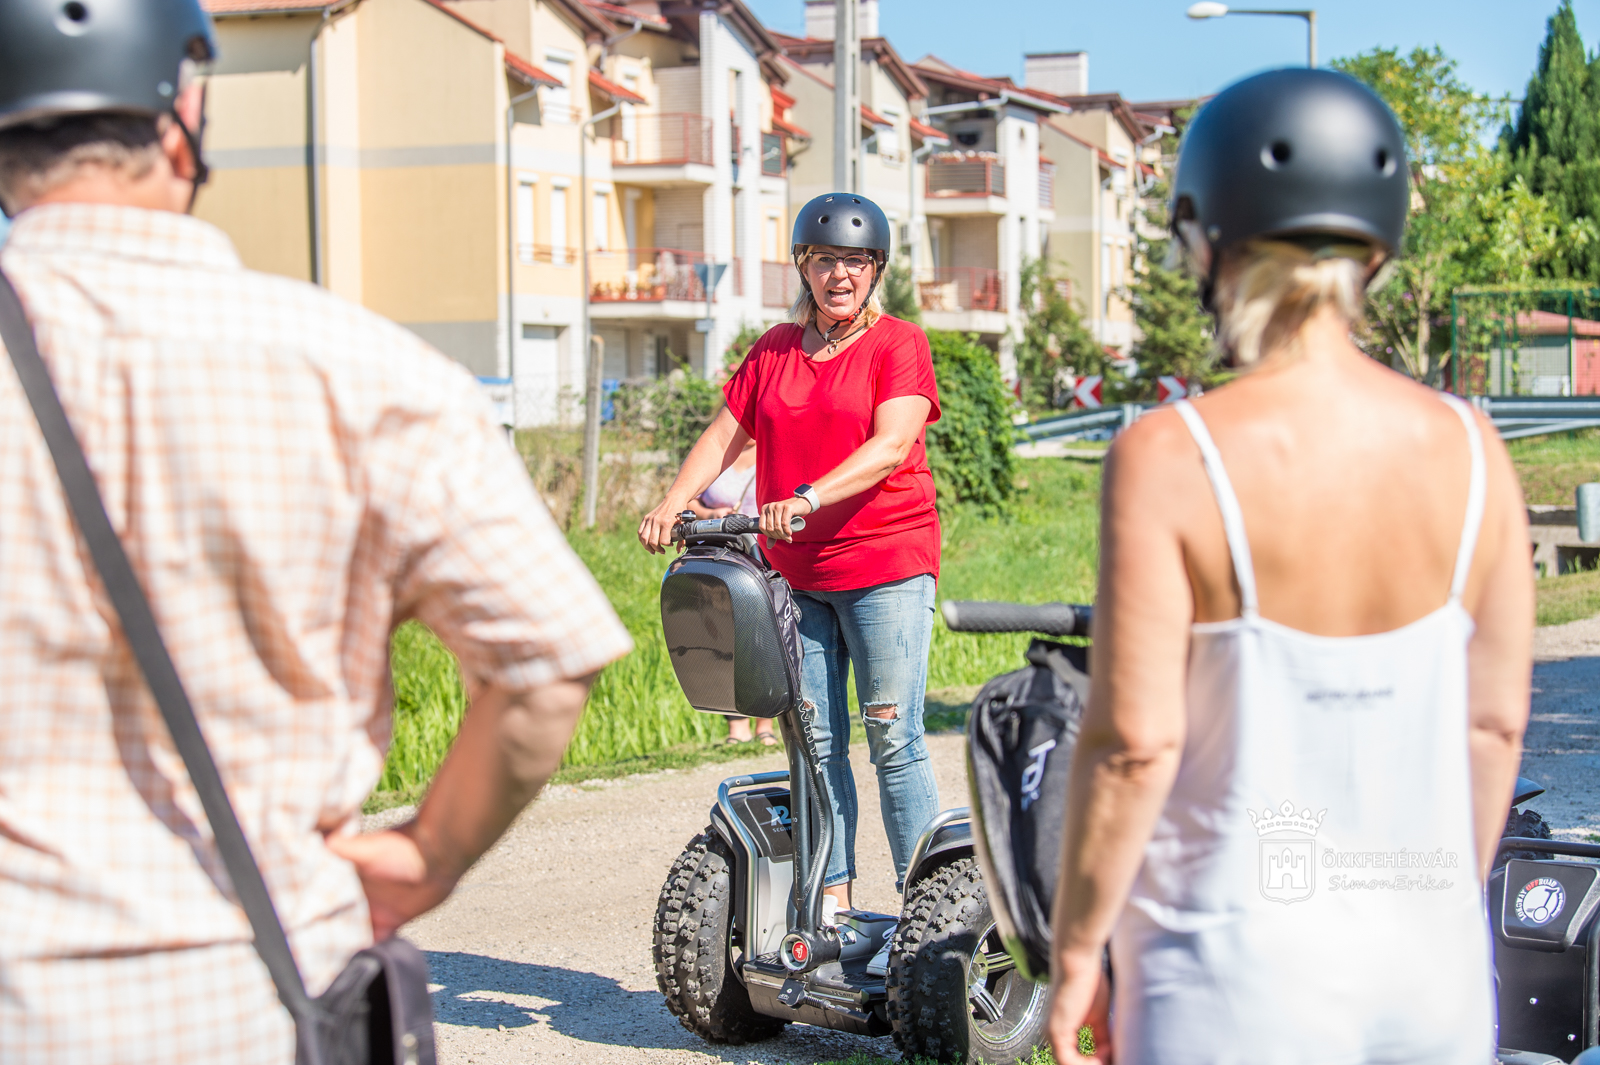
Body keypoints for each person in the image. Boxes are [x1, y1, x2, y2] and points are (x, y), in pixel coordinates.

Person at [0, 1, 632, 1059]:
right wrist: (429, 855)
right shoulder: (363, 374)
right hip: (249, 988)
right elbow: (544, 665)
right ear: (182, 114)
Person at [1046, 68, 1533, 1065]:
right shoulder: (1473, 449)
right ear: (1379, 243)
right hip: (1429, 981)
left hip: (1225, 977)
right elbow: (1494, 727)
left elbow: (1135, 744)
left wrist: (1076, 952)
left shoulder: (1172, 455)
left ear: (1202, 238)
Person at [640, 193, 941, 914]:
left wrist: (806, 496)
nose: (842, 275)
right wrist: (673, 500)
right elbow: (724, 437)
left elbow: (891, 445)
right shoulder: (774, 350)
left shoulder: (898, 344)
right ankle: (830, 903)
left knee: (892, 734)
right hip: (797, 574)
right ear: (804, 266)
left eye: (857, 261)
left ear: (877, 269)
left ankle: (931, 912)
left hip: (885, 565)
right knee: (814, 740)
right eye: (827, 259)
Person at [687, 439, 775, 746]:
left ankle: (766, 723)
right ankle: (736, 725)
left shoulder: (772, 452)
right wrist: (711, 512)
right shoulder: (715, 454)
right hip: (723, 557)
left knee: (766, 636)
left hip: (767, 557)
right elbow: (687, 500)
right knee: (724, 636)